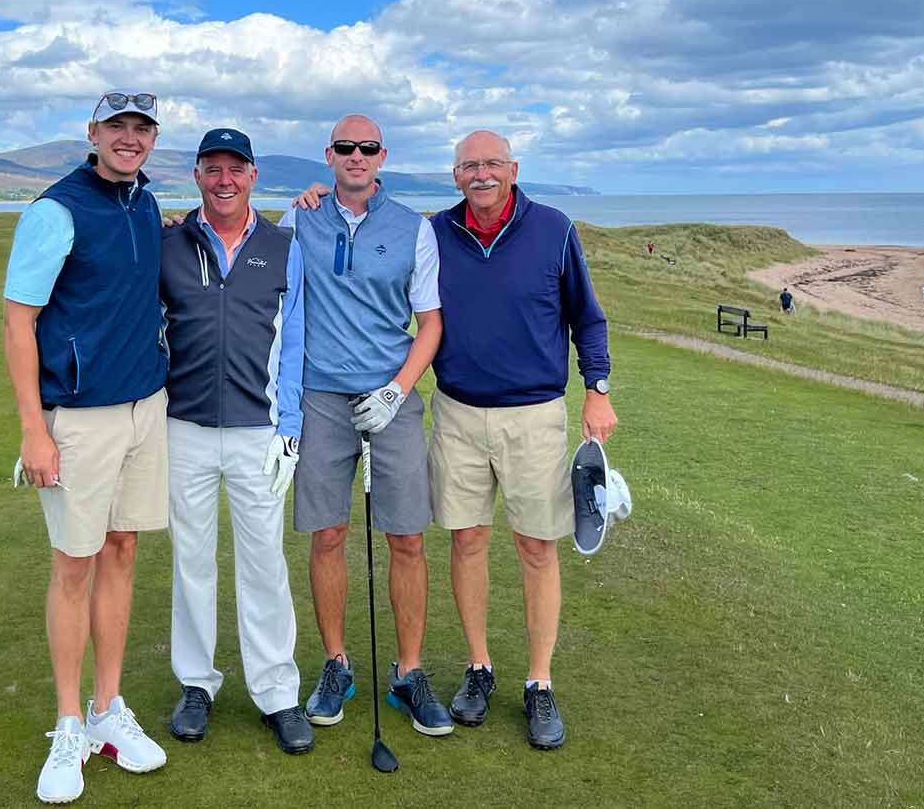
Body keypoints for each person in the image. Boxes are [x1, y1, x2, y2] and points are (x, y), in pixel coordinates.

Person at [2, 91, 170, 803]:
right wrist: (34, 429)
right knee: (74, 563)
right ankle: (69, 720)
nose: (129, 140)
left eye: (141, 129)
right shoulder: (56, 209)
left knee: (122, 551)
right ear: (93, 133)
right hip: (78, 417)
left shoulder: (147, 203)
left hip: (145, 407)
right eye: (117, 128)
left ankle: (108, 709)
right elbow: (18, 323)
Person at [428, 130, 615, 750]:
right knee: (468, 539)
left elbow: (586, 315)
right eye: (468, 166)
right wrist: (311, 201)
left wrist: (598, 386)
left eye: (491, 164)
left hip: (534, 416)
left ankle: (539, 682)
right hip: (455, 411)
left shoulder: (553, 228)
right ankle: (479, 668)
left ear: (512, 169)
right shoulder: (435, 233)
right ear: (455, 176)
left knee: (537, 547)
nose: (480, 174)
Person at [281, 116, 451, 736]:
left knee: (406, 537)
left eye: (368, 148)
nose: (357, 156)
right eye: (345, 148)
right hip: (320, 394)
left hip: (391, 395)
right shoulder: (300, 218)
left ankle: (408, 674)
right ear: (329, 155)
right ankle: (336, 664)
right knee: (326, 534)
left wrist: (396, 390)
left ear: (383, 156)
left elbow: (429, 323)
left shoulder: (415, 229)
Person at [159, 128, 313, 755]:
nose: (224, 180)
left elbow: (296, 341)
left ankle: (277, 692)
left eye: (236, 169)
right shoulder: (168, 243)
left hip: (259, 432)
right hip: (183, 428)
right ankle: (197, 684)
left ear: (254, 177)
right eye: (212, 168)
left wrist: (292, 430)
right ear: (197, 175)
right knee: (191, 562)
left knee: (263, 565)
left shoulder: (283, 246)